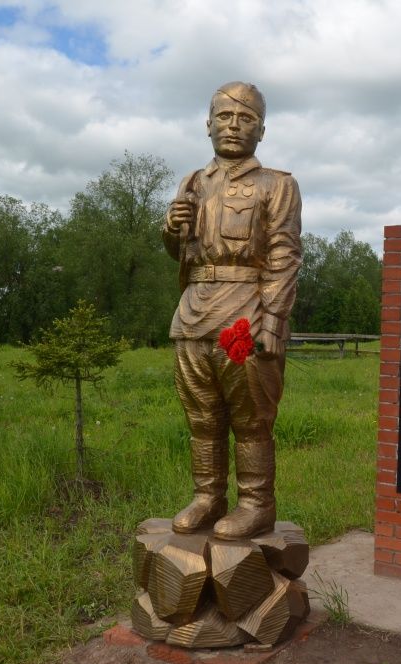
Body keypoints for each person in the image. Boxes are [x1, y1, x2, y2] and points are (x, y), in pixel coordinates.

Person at [161, 81, 302, 540]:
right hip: (192, 313)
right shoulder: (192, 183)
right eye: (224, 116)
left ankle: (257, 504)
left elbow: (284, 255)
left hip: (244, 312)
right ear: (208, 125)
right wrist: (170, 230)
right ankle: (207, 497)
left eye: (245, 118)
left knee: (250, 418)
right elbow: (181, 253)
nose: (233, 126)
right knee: (202, 416)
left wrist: (274, 320)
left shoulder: (277, 185)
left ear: (262, 129)